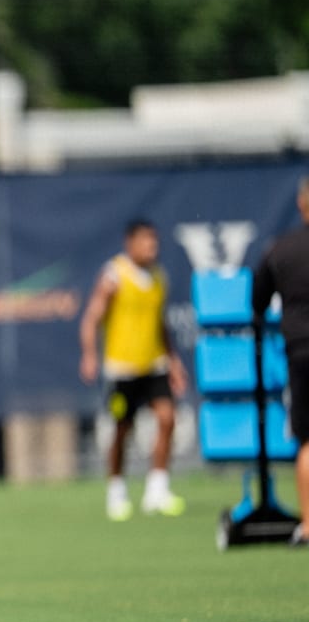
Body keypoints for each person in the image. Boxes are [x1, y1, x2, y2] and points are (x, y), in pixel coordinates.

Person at [79, 219, 188, 521]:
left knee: (167, 419)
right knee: (122, 430)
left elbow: (160, 324)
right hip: (122, 369)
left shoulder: (158, 277)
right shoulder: (114, 276)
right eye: (145, 241)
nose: (151, 247)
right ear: (130, 244)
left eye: (154, 241)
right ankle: (116, 490)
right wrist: (89, 354)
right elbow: (91, 318)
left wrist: (173, 360)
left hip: (154, 364)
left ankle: (157, 489)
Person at [251, 177, 309, 547]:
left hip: (301, 351)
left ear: (303, 205)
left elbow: (256, 303)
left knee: (308, 442)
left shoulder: (281, 249)